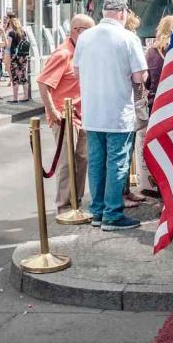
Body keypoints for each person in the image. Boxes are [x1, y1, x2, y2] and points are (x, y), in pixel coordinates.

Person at [73, 0, 148, 231]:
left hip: (92, 112)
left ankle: (97, 212)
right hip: (118, 112)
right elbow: (140, 76)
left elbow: (76, 71)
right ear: (123, 12)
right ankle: (113, 214)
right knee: (117, 163)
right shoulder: (128, 38)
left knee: (96, 163)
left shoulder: (85, 37)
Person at [38, 14, 96, 214]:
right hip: (64, 116)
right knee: (66, 161)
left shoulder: (83, 51)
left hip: (81, 114)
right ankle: (64, 205)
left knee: (82, 158)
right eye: (89, 31)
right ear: (76, 31)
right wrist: (52, 111)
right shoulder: (63, 54)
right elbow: (43, 83)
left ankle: (76, 201)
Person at [139, 15, 173, 198]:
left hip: (155, 106)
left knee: (158, 149)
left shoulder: (152, 52)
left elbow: (147, 83)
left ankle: (158, 186)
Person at [122, 10, 148, 207]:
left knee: (126, 150)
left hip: (132, 102)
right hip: (129, 103)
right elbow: (139, 76)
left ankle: (125, 191)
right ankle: (121, 194)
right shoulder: (129, 41)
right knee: (122, 152)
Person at [6, 15, 32, 103]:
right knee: (23, 76)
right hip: (23, 57)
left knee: (15, 77)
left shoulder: (11, 33)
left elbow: (8, 46)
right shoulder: (23, 32)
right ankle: (26, 96)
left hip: (14, 57)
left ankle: (15, 98)